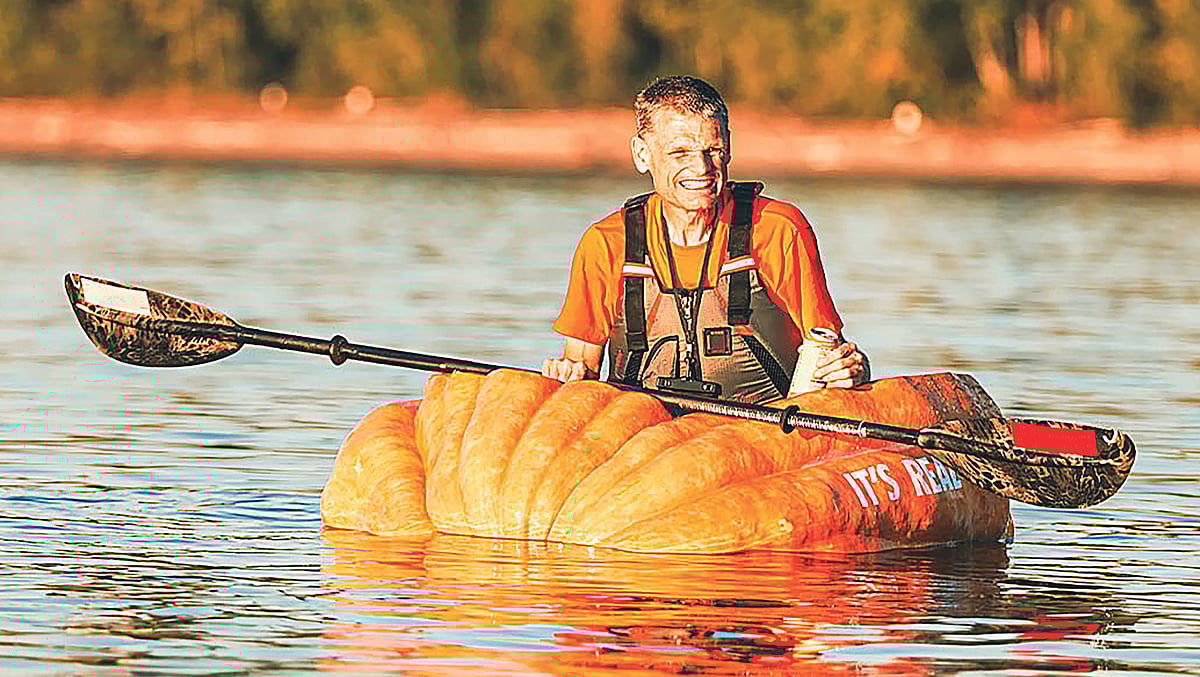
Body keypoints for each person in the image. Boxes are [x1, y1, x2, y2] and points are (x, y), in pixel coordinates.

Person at [542, 75, 868, 404]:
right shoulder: (605, 243)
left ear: (728, 147)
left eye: (713, 150)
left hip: (763, 437)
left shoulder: (779, 229)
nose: (701, 167)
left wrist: (851, 371)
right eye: (680, 153)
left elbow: (829, 352)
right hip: (641, 437)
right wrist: (568, 375)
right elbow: (581, 370)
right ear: (642, 155)